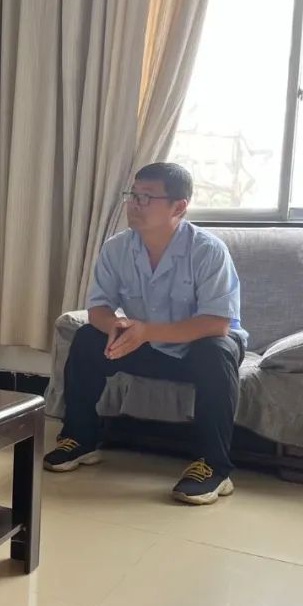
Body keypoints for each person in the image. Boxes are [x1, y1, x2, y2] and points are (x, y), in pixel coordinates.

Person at [45, 162, 248, 505]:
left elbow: (217, 323)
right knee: (87, 338)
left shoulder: (208, 251)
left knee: (216, 351)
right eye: (132, 195)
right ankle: (81, 438)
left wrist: (145, 331)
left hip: (196, 349)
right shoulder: (116, 248)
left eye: (146, 198)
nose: (134, 204)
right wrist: (115, 328)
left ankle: (214, 466)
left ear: (178, 207)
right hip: (147, 345)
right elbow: (98, 309)